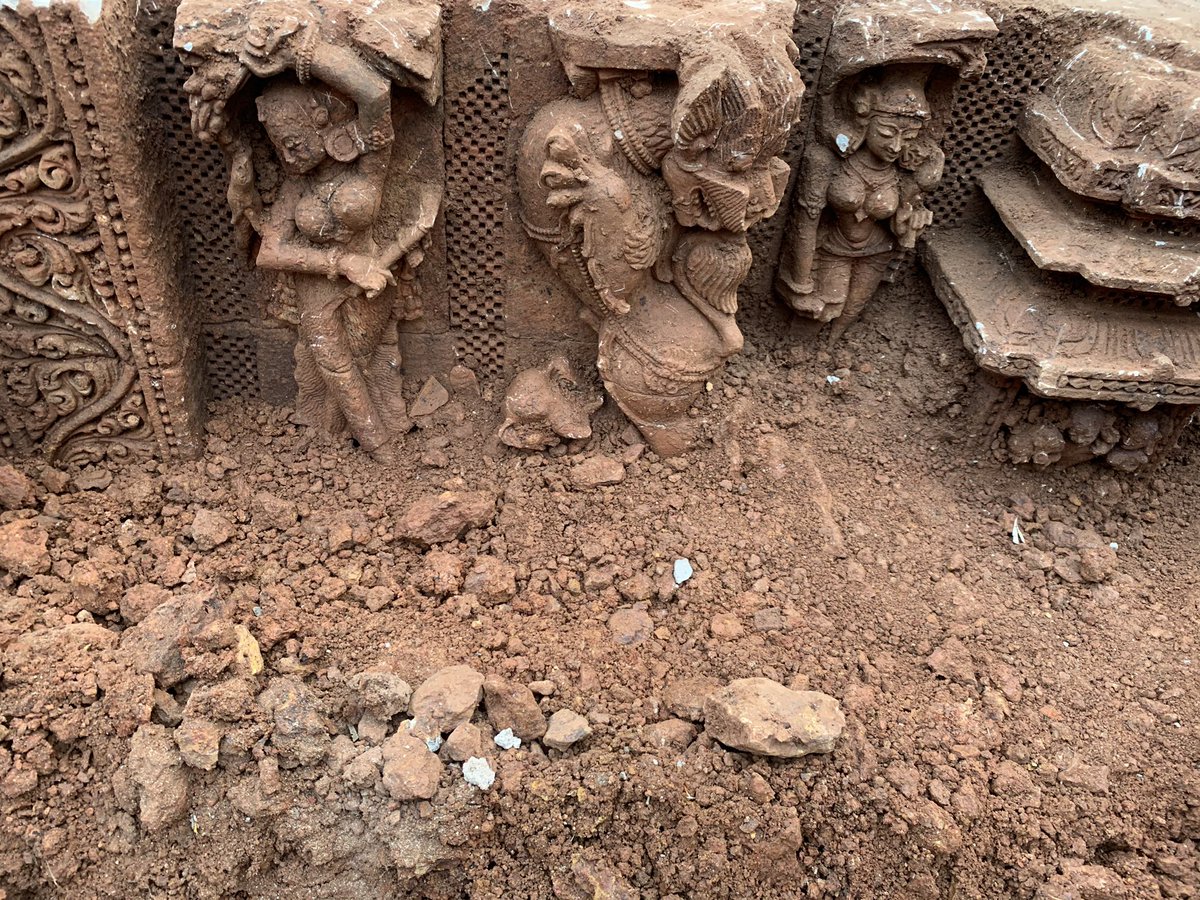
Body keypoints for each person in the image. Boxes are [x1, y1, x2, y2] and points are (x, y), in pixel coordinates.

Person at [777, 69, 940, 344]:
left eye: (908, 138)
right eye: (887, 133)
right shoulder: (826, 162)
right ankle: (796, 348)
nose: (896, 146)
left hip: (877, 251)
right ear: (865, 122)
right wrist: (800, 283)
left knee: (853, 308)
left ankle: (830, 349)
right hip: (834, 247)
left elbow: (901, 224)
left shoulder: (900, 173)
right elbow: (805, 221)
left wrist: (908, 222)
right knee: (829, 303)